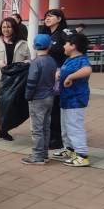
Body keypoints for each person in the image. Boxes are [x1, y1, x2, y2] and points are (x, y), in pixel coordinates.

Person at [51, 33, 93, 167]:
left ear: (73, 46)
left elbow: (87, 70)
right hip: (66, 100)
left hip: (75, 100)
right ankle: (69, 148)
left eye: (66, 43)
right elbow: (63, 71)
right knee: (65, 126)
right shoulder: (69, 59)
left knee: (75, 127)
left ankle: (82, 155)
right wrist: (59, 74)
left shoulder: (81, 60)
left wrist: (70, 77)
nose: (64, 46)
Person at [22, 35, 59, 165]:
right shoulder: (52, 61)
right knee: (45, 127)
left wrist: (28, 95)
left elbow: (31, 81)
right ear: (49, 46)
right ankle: (44, 154)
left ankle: (37, 156)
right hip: (49, 97)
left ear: (34, 46)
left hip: (37, 98)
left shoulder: (36, 62)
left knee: (37, 129)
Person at [41, 9, 71, 149]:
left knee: (56, 107)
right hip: (46, 73)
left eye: (51, 16)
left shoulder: (64, 33)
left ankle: (57, 137)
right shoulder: (45, 34)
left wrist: (63, 70)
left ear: (59, 19)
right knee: (47, 106)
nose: (47, 19)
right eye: (46, 16)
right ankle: (50, 134)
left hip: (59, 74)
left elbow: (75, 49)